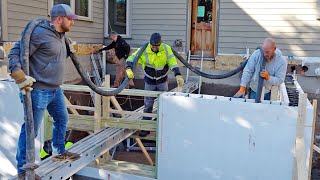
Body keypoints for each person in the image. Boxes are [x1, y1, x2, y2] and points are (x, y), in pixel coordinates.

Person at [8, 4, 80, 178]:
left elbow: (52, 56)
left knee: (62, 118)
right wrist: (18, 75)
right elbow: (14, 53)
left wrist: (70, 51)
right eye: (70, 19)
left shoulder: (61, 35)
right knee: (30, 131)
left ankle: (58, 150)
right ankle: (23, 171)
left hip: (55, 90)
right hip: (38, 91)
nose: (72, 22)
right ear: (59, 19)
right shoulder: (39, 33)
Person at [125, 33, 184, 137]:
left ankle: (162, 127)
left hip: (162, 81)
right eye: (153, 46)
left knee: (164, 104)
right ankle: (146, 128)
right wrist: (128, 68)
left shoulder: (166, 49)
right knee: (148, 105)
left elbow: (172, 61)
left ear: (160, 44)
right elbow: (132, 58)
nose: (154, 48)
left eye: (156, 46)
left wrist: (177, 74)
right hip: (149, 81)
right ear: (150, 43)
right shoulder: (144, 49)